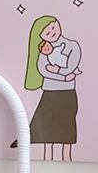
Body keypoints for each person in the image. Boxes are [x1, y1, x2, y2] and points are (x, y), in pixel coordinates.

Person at [20, 15, 82, 162]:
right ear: (41, 37)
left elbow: (71, 66)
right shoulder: (44, 50)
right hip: (49, 92)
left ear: (58, 23)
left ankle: (67, 157)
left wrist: (57, 71)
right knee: (48, 127)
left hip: (67, 92)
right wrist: (64, 76)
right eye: (47, 32)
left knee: (67, 124)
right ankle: (47, 157)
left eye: (53, 27)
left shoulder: (72, 45)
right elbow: (43, 69)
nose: (52, 33)